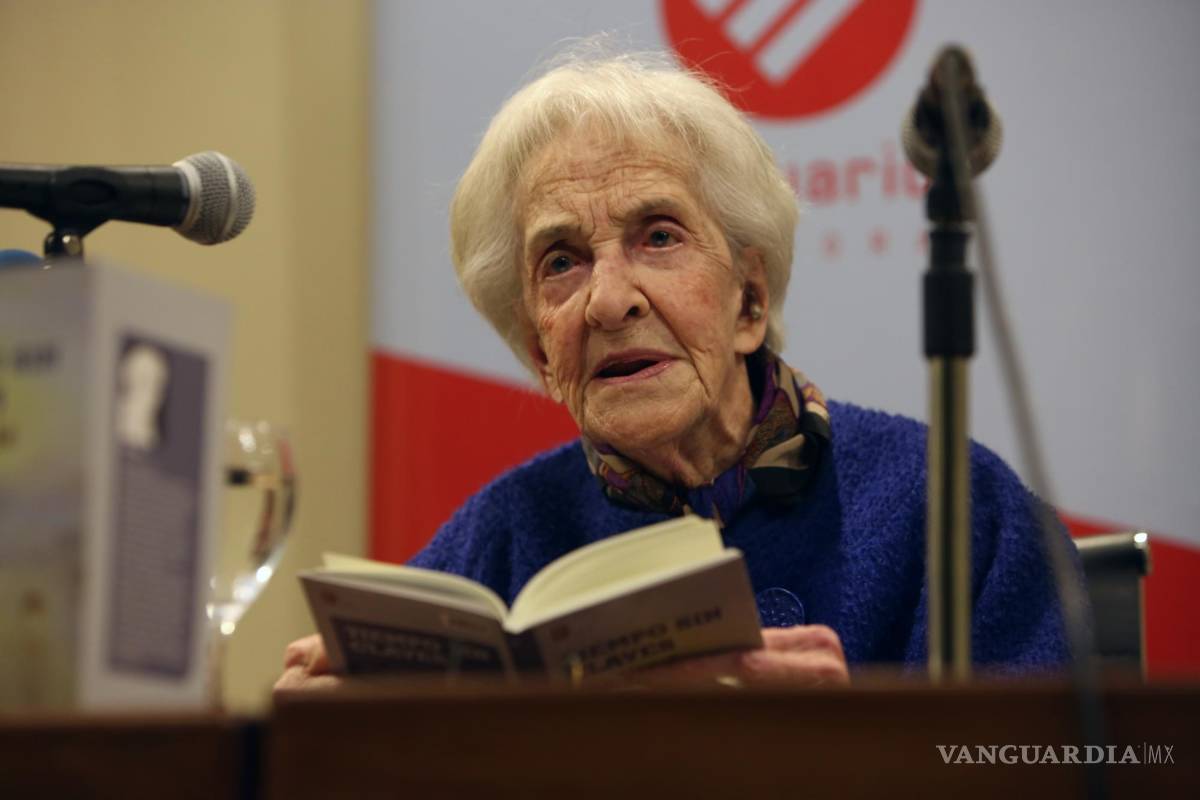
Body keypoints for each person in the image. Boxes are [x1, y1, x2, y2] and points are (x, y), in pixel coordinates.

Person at [276, 51, 1072, 692]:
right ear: (539, 352)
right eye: (562, 261)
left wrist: (841, 757)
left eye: (658, 236)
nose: (609, 301)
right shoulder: (500, 541)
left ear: (750, 301)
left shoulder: (952, 509)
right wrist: (334, 748)